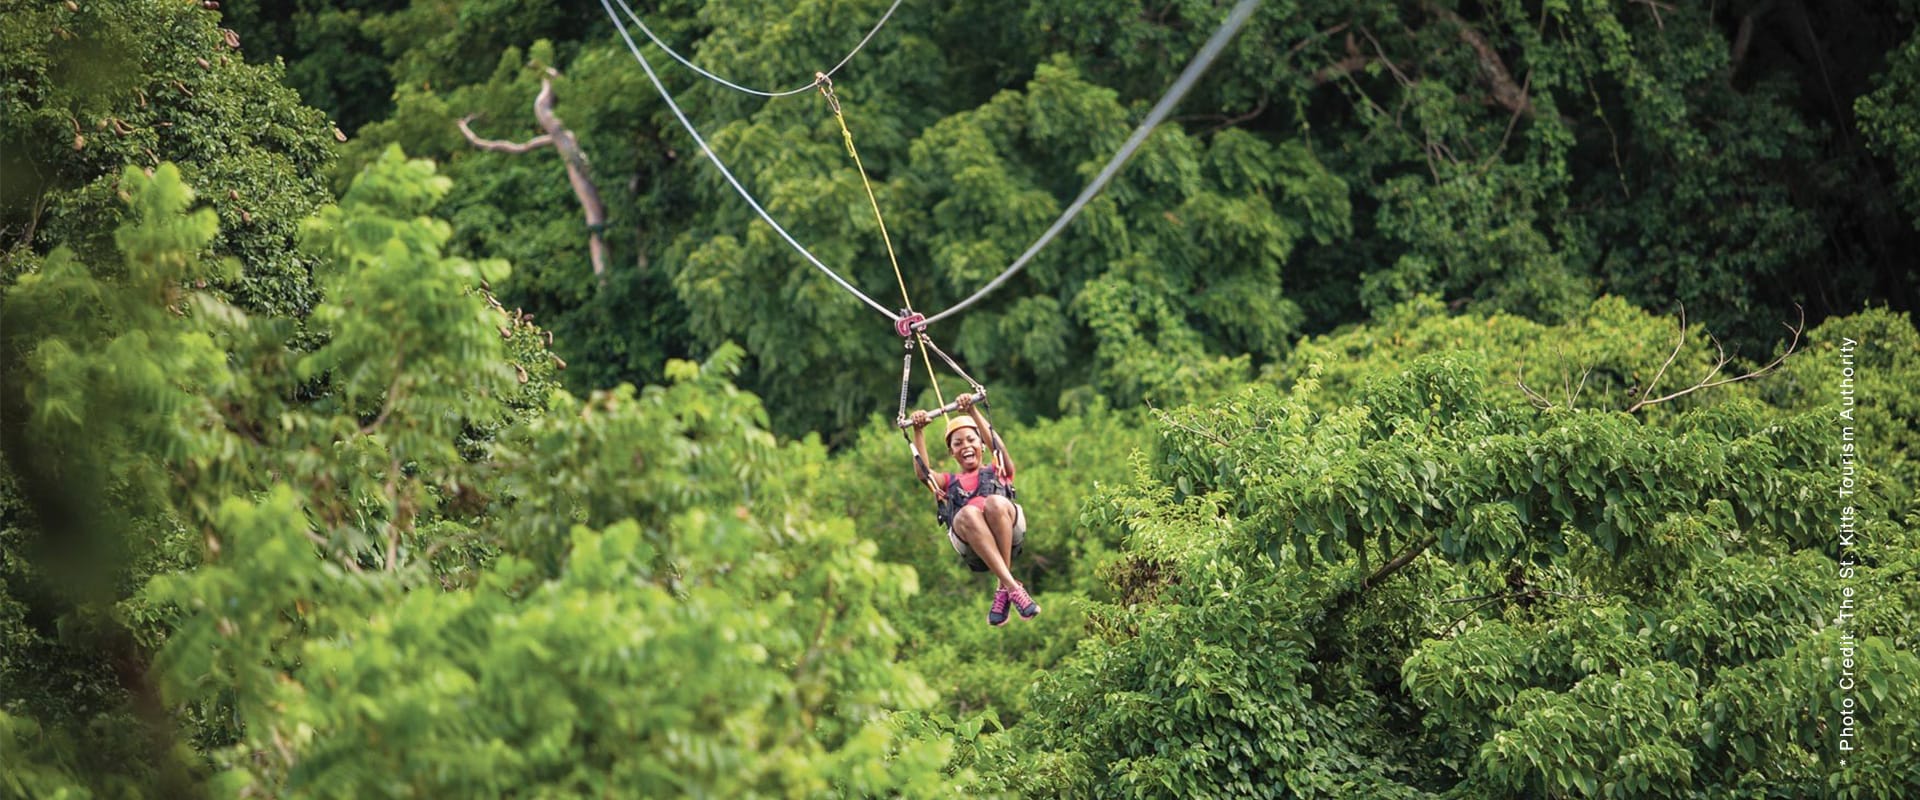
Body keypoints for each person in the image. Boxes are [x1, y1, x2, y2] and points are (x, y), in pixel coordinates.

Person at [910, 394, 1039, 625]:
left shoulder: (998, 469)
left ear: (981, 445)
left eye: (971, 440)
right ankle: (1011, 588)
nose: (966, 446)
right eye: (958, 444)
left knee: (994, 502)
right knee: (968, 512)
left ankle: (1004, 587)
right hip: (970, 540)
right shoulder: (949, 482)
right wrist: (918, 431)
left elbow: (998, 448)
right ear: (951, 452)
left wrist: (972, 411)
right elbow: (923, 474)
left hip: (1008, 527)